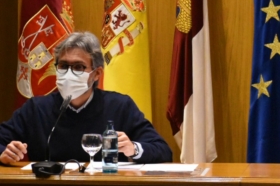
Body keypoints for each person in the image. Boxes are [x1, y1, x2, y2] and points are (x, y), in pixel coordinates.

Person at [0, 31, 172, 165]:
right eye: (63, 66)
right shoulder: (36, 109)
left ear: (96, 74)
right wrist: (4, 154)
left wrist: (132, 148)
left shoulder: (120, 106)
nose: (69, 73)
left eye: (78, 67)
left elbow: (163, 150)